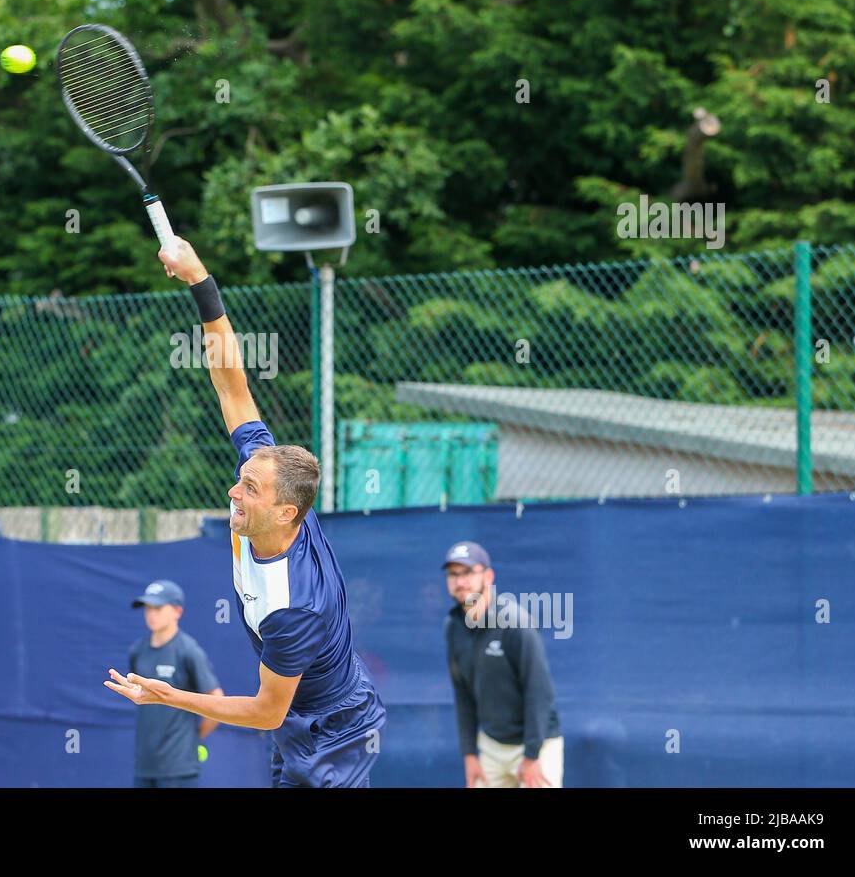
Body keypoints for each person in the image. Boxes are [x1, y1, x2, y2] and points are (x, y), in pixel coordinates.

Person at [105, 236, 387, 787]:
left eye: (250, 489)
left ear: (286, 513)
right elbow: (231, 382)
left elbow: (266, 712)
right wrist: (199, 282)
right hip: (301, 717)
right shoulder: (269, 473)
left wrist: (169, 696)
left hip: (334, 729)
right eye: (242, 479)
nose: (235, 491)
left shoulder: (293, 607)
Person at [443, 540, 564, 788]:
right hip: (491, 746)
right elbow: (463, 694)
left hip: (537, 745)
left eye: (467, 572)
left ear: (488, 576)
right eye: (453, 574)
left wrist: (531, 756)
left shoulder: (516, 623)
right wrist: (469, 754)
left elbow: (539, 693)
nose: (460, 581)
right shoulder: (453, 627)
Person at [127, 579, 223, 788]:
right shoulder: (137, 651)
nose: (151, 613)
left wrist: (192, 738)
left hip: (179, 770)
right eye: (148, 608)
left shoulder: (188, 651)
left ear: (177, 611)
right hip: (144, 767)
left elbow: (217, 698)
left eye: (158, 607)